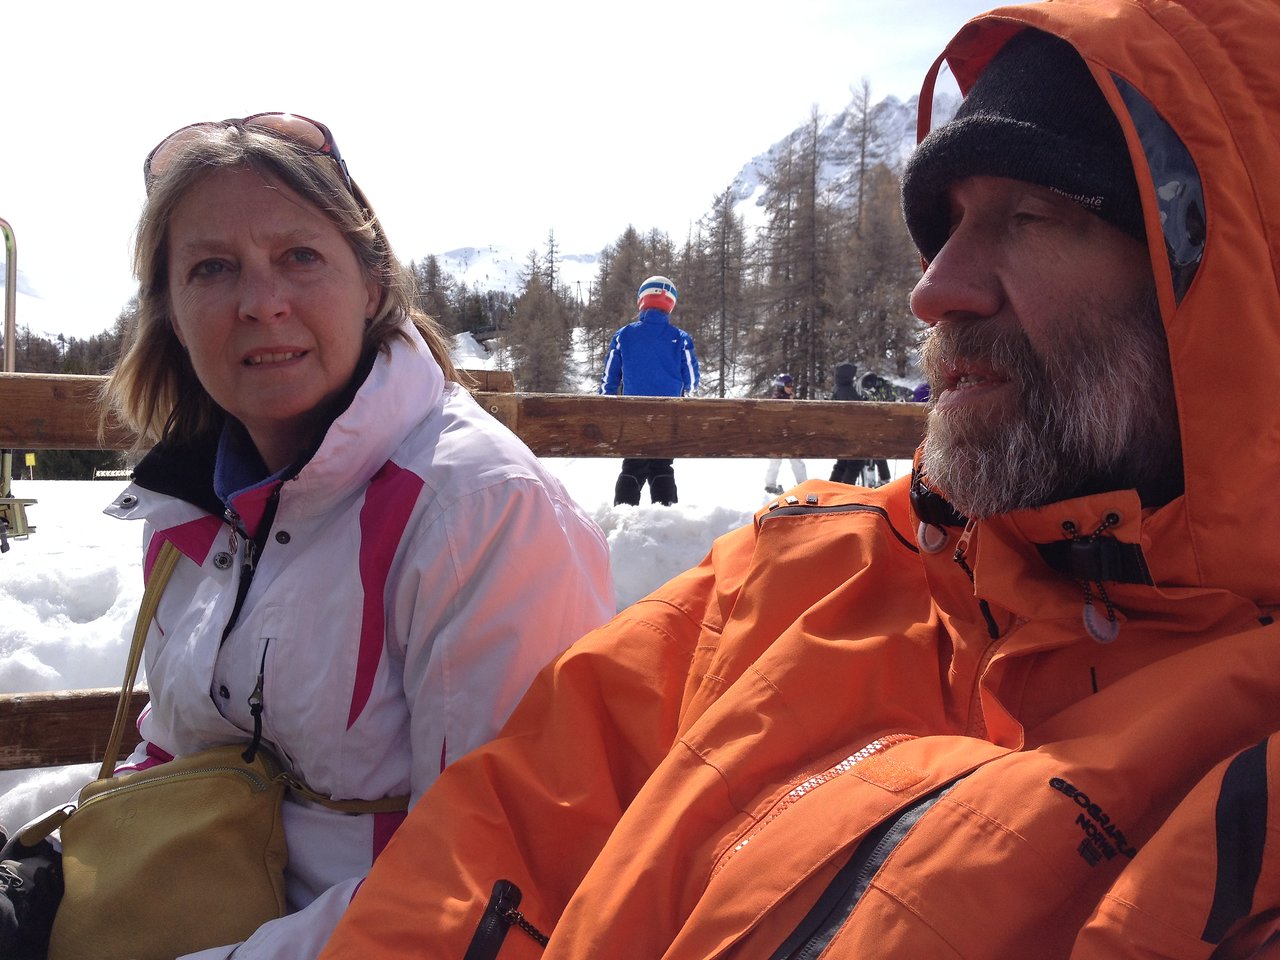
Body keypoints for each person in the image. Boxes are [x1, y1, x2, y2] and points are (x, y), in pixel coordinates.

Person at [319, 1, 1280, 957]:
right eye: (945, 226)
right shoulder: (798, 574)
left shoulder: (1241, 775)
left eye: (1029, 217)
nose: (933, 287)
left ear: (1220, 284)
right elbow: (489, 846)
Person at [24, 113, 616, 960]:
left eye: (300, 256)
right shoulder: (193, 505)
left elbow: (502, 879)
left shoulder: (476, 510)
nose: (262, 302)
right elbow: (180, 750)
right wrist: (58, 881)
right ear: (172, 313)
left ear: (373, 284)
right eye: (212, 267)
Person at [598, 276, 700, 506]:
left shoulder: (624, 335)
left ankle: (624, 511)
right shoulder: (680, 339)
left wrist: (606, 402)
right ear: (671, 304)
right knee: (662, 465)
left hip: (633, 414)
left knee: (633, 465)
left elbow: (609, 377)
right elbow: (692, 380)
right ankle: (665, 515)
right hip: (668, 415)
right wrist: (686, 392)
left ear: (641, 300)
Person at [763, 373, 808, 495]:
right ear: (781, 386)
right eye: (788, 385)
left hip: (788, 437)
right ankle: (771, 485)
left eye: (792, 385)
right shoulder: (778, 400)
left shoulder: (787, 399)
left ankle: (802, 485)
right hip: (779, 437)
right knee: (777, 461)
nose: (791, 387)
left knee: (795, 461)